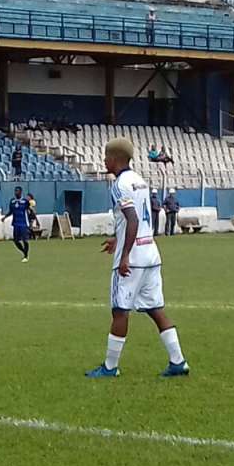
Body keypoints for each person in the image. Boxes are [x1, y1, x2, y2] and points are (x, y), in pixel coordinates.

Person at [86, 138, 188, 379]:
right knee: (155, 309)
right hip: (151, 252)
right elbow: (143, 220)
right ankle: (178, 361)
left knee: (120, 311)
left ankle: (110, 367)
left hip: (133, 259)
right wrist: (118, 240)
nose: (104, 161)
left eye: (106, 156)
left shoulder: (120, 184)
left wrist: (125, 255)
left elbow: (132, 219)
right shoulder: (140, 181)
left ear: (115, 158)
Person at [2, 186, 32, 261]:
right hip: (16, 224)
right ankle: (24, 252)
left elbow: (30, 210)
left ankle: (26, 256)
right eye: (15, 191)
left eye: (18, 191)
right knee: (16, 241)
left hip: (24, 223)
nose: (16, 192)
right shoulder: (12, 201)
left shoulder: (25, 201)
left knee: (25, 240)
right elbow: (11, 211)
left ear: (21, 192)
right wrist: (5, 217)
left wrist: (32, 221)